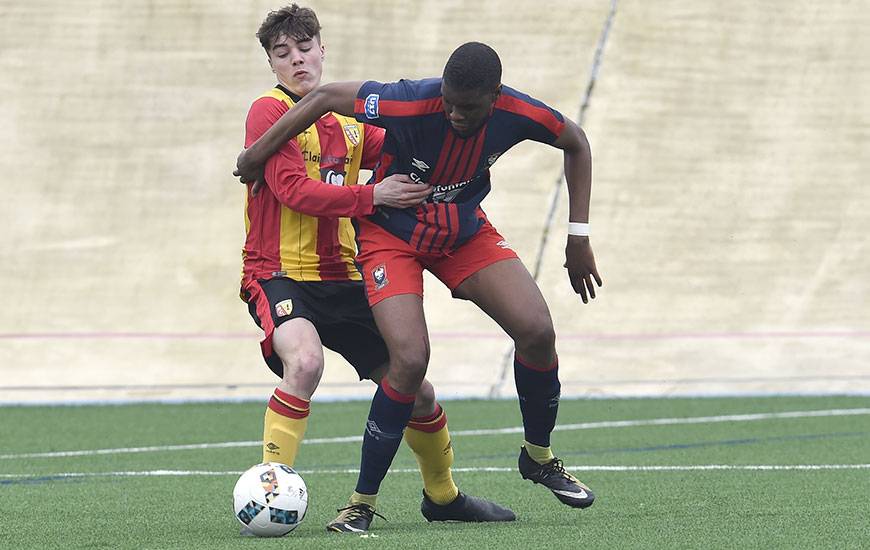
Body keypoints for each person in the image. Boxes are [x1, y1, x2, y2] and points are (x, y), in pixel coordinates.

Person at [236, 40, 602, 534]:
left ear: (495, 97)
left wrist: (578, 235)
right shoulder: (407, 99)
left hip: (460, 232)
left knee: (537, 330)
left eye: (465, 106)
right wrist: (255, 155)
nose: (452, 113)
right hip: (389, 237)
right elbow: (322, 101)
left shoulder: (517, 111)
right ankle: (359, 503)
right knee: (406, 360)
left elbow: (576, 140)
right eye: (447, 100)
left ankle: (534, 459)